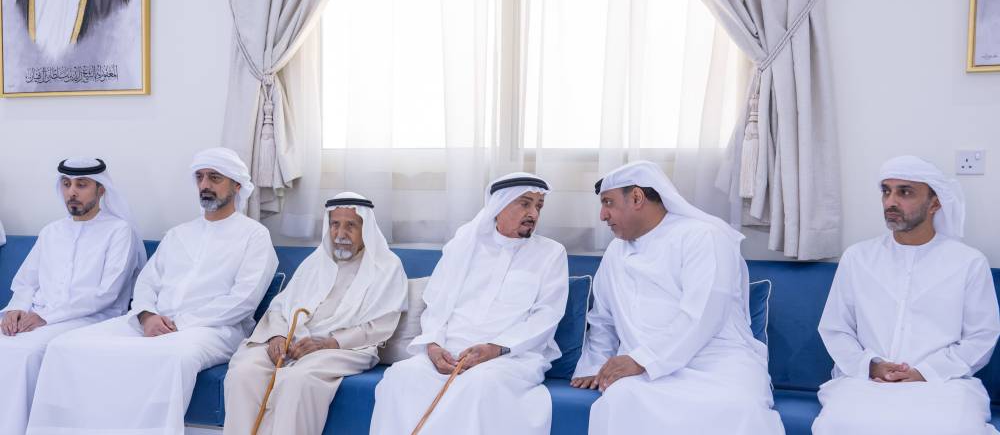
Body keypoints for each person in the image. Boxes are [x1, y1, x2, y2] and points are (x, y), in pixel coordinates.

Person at [26, 148, 278, 435]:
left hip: (214, 329)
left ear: (237, 185)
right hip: (151, 323)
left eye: (214, 178)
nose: (205, 185)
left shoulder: (254, 236)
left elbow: (243, 300)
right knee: (66, 345)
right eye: (199, 177)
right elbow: (146, 283)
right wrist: (147, 316)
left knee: (172, 355)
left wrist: (178, 324)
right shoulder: (179, 233)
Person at [572, 160, 784, 435]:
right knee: (620, 399)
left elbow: (704, 314)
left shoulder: (703, 236)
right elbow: (603, 319)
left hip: (716, 364)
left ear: (636, 197)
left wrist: (642, 359)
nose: (602, 215)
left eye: (608, 203)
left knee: (736, 407)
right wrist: (594, 365)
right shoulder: (615, 252)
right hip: (644, 372)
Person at [812, 155, 1000, 435]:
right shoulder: (858, 257)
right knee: (838, 425)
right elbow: (836, 328)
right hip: (867, 382)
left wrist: (924, 372)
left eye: (905, 192)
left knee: (954, 428)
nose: (891, 202)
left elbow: (981, 336)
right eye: (886, 191)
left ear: (935, 203)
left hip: (943, 383)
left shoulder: (968, 262)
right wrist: (873, 366)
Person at [370, 173, 568, 435]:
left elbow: (547, 316)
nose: (533, 213)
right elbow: (436, 304)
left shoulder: (551, 253)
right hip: (449, 352)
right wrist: (433, 345)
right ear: (499, 205)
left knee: (479, 384)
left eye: (539, 206)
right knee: (402, 376)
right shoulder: (463, 246)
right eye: (525, 203)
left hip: (510, 358)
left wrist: (495, 349)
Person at [223, 192, 407, 435]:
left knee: (296, 381)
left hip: (343, 349)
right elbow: (279, 306)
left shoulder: (386, 267)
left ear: (366, 228)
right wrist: (277, 336)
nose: (340, 234)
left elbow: (380, 326)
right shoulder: (315, 262)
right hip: (292, 341)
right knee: (243, 372)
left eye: (351, 225)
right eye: (335, 224)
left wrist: (327, 343)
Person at [0, 157, 144, 435]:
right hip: (37, 315)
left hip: (91, 320)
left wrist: (45, 317)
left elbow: (107, 294)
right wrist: (15, 309)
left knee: (26, 352)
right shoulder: (51, 231)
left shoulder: (119, 231)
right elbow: (27, 281)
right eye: (66, 184)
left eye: (82, 185)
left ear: (101, 189)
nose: (72, 192)